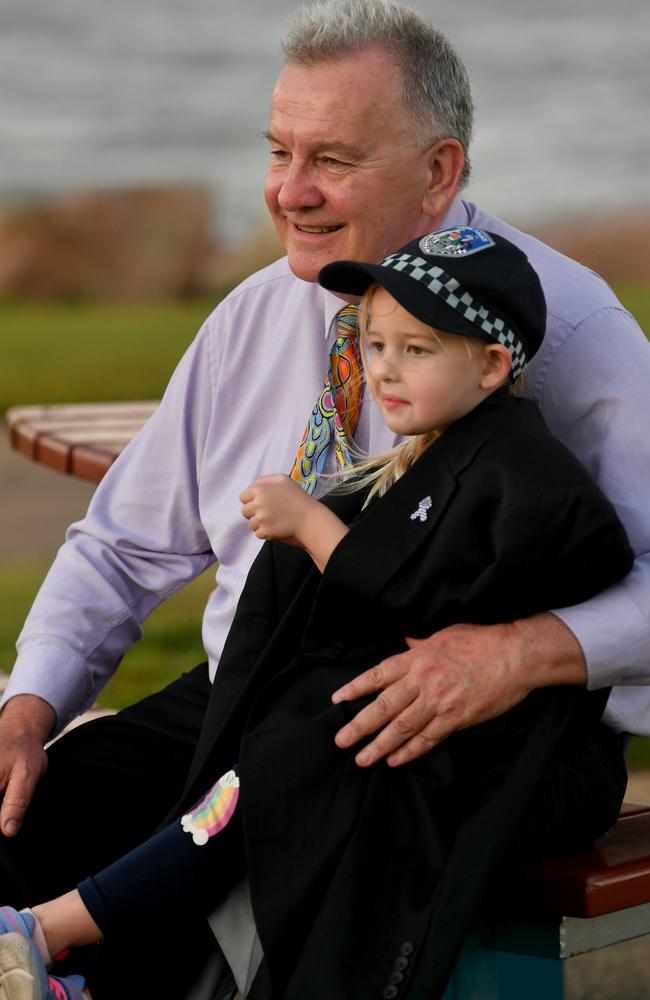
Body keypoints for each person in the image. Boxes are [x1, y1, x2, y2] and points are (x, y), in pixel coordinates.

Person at [0, 0, 648, 995]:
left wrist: (517, 653)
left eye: (332, 161)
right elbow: (123, 546)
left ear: (437, 172)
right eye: (277, 152)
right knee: (20, 812)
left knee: (270, 855)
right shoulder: (252, 314)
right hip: (245, 690)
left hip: (452, 730)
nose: (287, 192)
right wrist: (30, 704)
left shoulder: (565, 337)